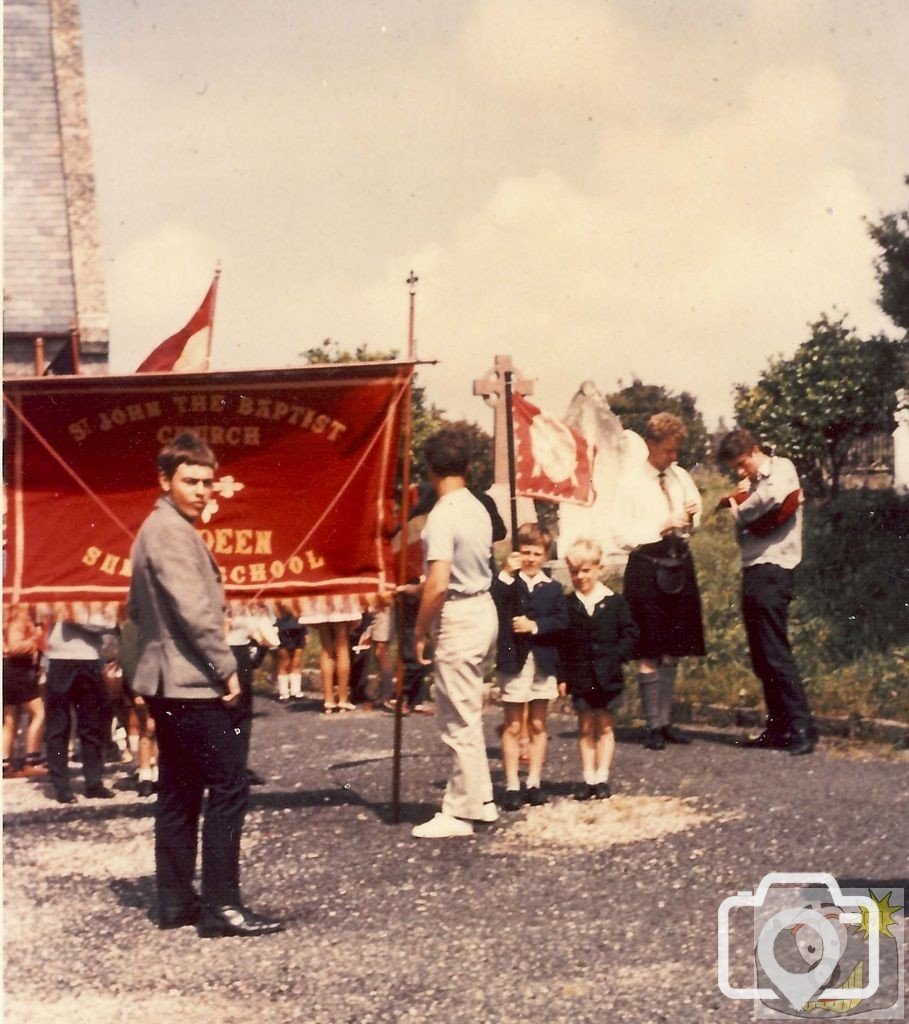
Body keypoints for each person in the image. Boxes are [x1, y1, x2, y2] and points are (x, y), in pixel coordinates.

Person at [128, 431, 283, 937]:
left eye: (207, 482)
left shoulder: (160, 527)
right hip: (192, 683)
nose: (201, 490)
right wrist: (226, 667)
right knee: (229, 785)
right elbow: (195, 615)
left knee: (178, 788)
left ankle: (175, 902)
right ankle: (222, 907)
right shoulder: (170, 532)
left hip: (167, 679)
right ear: (164, 480)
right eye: (190, 480)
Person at [412, 428, 499, 838]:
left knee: (457, 718)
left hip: (459, 614)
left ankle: (461, 813)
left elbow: (439, 582)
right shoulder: (479, 507)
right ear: (466, 467)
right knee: (468, 710)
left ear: (430, 470)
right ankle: (479, 799)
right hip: (483, 607)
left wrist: (419, 630)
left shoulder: (442, 515)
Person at [715, 429, 817, 756]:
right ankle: (779, 726)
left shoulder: (781, 468)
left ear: (755, 450)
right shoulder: (754, 485)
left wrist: (739, 504)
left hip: (775, 568)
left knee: (775, 651)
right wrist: (743, 506)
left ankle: (803, 727)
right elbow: (745, 530)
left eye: (742, 463)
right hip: (754, 566)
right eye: (736, 468)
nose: (740, 472)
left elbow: (772, 500)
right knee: (761, 655)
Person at [614, 413, 705, 750]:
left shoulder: (679, 476)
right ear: (651, 445)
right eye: (667, 450)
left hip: (678, 565)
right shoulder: (631, 482)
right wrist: (660, 527)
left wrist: (692, 516)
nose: (673, 457)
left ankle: (666, 721)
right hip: (647, 567)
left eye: (676, 450)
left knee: (672, 648)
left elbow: (692, 520)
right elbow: (620, 533)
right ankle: (652, 725)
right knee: (649, 648)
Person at [491, 523, 567, 810]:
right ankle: (511, 784)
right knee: (513, 725)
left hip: (543, 663)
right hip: (515, 661)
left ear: (545, 555)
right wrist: (506, 574)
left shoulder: (553, 588)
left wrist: (535, 626)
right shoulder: (509, 583)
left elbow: (561, 621)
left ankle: (534, 782)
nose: (531, 558)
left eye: (537, 553)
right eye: (525, 552)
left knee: (537, 724)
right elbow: (496, 603)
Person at [559, 540, 638, 800]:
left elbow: (630, 634)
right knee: (584, 728)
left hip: (608, 676)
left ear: (598, 569)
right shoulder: (569, 604)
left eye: (585, 571)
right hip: (581, 676)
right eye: (574, 572)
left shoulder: (614, 602)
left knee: (604, 727)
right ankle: (588, 778)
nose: (580, 577)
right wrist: (562, 677)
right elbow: (563, 644)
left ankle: (602, 777)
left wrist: (616, 657)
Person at [43, 607, 118, 803]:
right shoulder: (57, 590)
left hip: (90, 659)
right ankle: (61, 785)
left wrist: (80, 617)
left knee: (91, 725)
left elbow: (109, 623)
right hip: (60, 659)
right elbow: (53, 614)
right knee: (58, 726)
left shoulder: (97, 592)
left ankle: (94, 782)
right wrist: (89, 619)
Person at [2, 604, 47, 779]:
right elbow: (15, 647)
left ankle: (4, 765)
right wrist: (37, 638)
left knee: (10, 718)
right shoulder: (19, 612)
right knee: (39, 713)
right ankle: (32, 761)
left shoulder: (7, 609)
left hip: (6, 668)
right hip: (17, 668)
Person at [273, 602, 307, 702]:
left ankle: (296, 691)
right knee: (285, 661)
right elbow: (284, 608)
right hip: (284, 629)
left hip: (299, 628)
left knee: (297, 661)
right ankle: (284, 692)